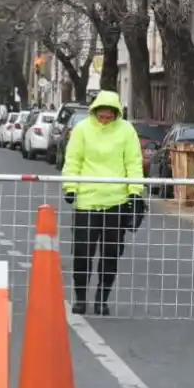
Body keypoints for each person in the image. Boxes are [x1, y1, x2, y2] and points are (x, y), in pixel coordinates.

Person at [61, 90, 147, 316]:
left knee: (110, 254)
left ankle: (102, 298)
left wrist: (135, 193)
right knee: (82, 253)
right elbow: (73, 159)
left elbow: (133, 163)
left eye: (110, 116)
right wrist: (70, 186)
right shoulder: (82, 130)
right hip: (87, 202)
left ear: (117, 114)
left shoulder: (126, 131)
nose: (105, 120)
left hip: (115, 202)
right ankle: (80, 297)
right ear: (95, 112)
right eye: (102, 116)